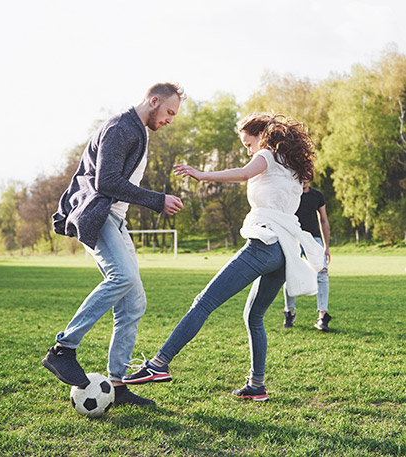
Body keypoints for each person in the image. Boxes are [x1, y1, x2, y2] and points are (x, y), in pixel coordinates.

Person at [122, 113, 324, 402]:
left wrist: (201, 174)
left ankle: (158, 364)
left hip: (264, 245)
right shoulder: (292, 167)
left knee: (203, 302)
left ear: (262, 136)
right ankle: (256, 385)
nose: (248, 150)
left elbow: (243, 173)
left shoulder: (266, 155)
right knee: (254, 316)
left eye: (247, 143)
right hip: (285, 251)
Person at [42, 82, 186, 407]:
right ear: (154, 101)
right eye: (169, 112)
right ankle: (63, 349)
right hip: (100, 215)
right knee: (120, 277)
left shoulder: (139, 131)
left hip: (116, 220)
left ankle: (118, 385)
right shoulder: (120, 128)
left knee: (134, 303)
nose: (169, 120)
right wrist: (157, 200)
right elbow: (105, 182)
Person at [283, 182, 332, 331]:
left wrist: (326, 247)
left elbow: (323, 220)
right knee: (289, 275)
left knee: (322, 274)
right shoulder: (289, 194)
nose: (303, 180)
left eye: (306, 177)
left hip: (314, 240)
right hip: (293, 239)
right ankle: (289, 312)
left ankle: (322, 317)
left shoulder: (317, 196)